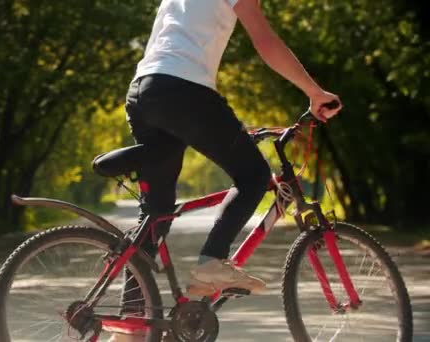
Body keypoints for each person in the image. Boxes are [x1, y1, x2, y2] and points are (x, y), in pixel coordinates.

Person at [111, 0, 341, 340]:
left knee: (156, 214)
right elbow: (265, 41)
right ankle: (211, 262)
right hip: (183, 89)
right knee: (254, 177)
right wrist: (313, 91)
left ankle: (129, 327)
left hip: (144, 92)